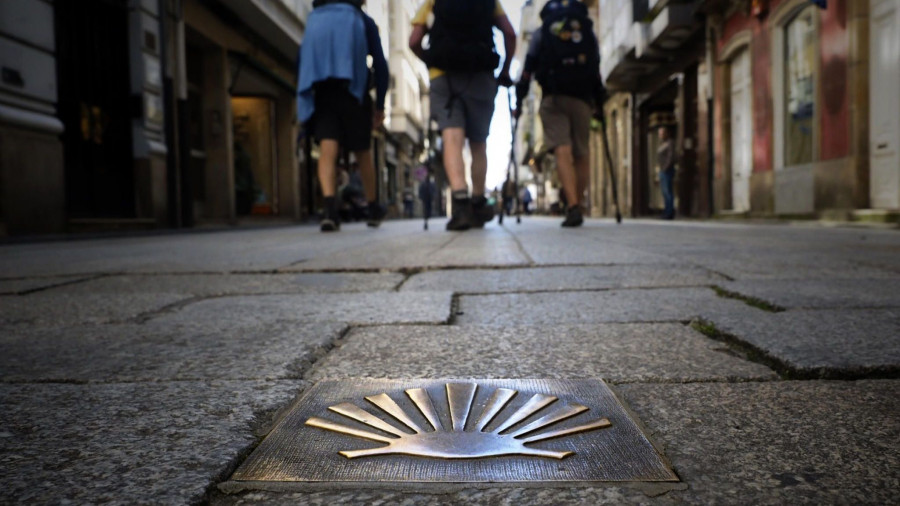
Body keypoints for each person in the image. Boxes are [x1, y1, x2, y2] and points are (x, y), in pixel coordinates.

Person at [409, 0, 517, 231]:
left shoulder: (434, 2)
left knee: (452, 137)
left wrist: (430, 60)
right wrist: (505, 69)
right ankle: (478, 201)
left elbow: (414, 40)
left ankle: (459, 203)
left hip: (444, 76)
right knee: (478, 143)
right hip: (480, 73)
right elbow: (509, 33)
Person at [297, 0, 388, 232]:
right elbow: (379, 62)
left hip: (323, 93)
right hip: (354, 91)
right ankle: (373, 206)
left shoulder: (315, 18)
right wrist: (380, 103)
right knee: (363, 151)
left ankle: (329, 209)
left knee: (327, 150)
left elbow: (303, 58)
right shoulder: (361, 20)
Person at [515, 0, 602, 228]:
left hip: (553, 96)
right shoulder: (585, 31)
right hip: (582, 97)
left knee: (562, 149)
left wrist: (519, 96)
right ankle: (577, 201)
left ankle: (572, 205)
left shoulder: (542, 32)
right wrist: (598, 99)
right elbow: (595, 64)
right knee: (582, 151)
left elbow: (528, 67)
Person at [657, 126, 676, 220]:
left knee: (668, 192)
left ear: (666, 133)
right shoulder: (662, 144)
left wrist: (665, 168)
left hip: (667, 171)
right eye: (659, 133)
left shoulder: (670, 143)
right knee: (664, 192)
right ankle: (666, 211)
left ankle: (669, 212)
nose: (660, 135)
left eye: (662, 133)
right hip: (662, 171)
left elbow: (671, 156)